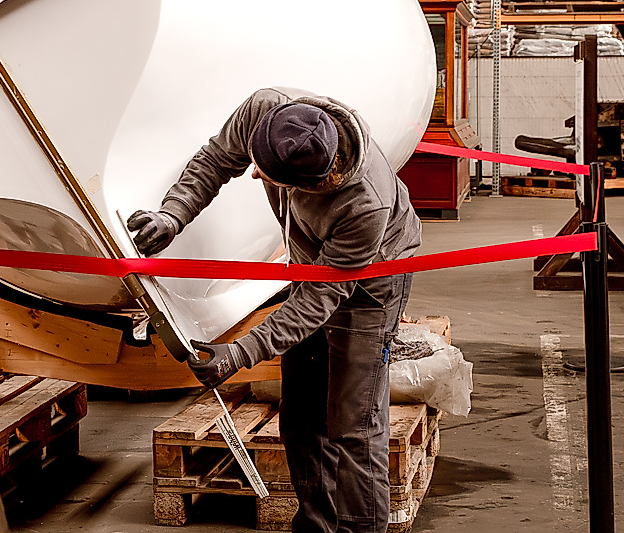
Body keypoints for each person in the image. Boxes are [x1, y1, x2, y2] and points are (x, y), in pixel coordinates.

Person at [126, 87, 421, 533]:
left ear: (309, 184)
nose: (253, 176)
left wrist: (239, 353)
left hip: (372, 287)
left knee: (353, 426)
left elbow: (319, 300)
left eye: (264, 176)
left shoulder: (364, 203)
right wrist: (173, 214)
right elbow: (216, 161)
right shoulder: (268, 110)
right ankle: (316, 526)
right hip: (311, 269)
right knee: (301, 415)